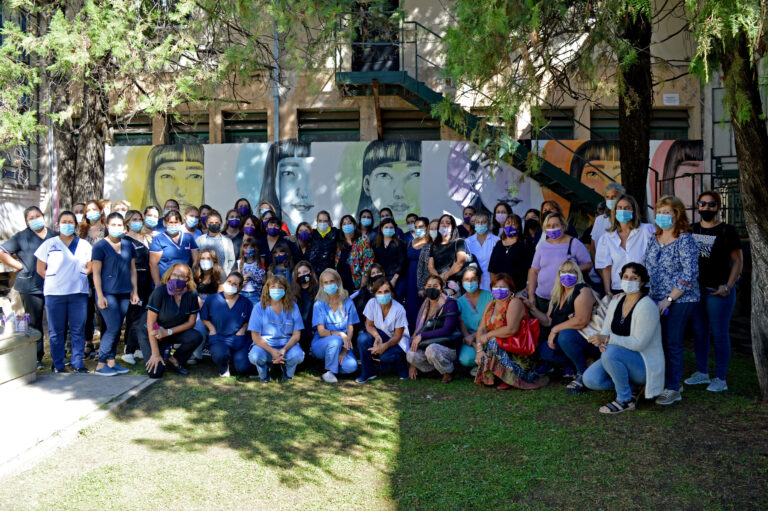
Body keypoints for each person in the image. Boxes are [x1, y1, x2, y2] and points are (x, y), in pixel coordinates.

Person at [583, 263, 665, 413]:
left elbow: (638, 344)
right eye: (626, 277)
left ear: (642, 282)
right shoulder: (616, 301)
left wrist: (607, 340)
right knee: (590, 379)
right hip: (618, 355)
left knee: (611, 351)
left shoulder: (647, 306)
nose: (629, 281)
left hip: (644, 364)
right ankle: (634, 388)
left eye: (634, 278)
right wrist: (602, 342)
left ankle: (625, 399)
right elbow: (606, 330)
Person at [685, 191, 743, 392]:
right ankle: (702, 373)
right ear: (698, 206)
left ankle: (720, 377)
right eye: (703, 204)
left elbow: (738, 262)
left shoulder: (728, 231)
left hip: (718, 292)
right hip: (696, 291)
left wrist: (728, 286)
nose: (707, 208)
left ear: (718, 207)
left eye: (711, 205)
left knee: (719, 334)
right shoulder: (691, 230)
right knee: (699, 332)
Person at [644, 195, 699, 405]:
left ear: (677, 214)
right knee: (658, 341)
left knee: (672, 341)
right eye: (660, 212)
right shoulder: (653, 238)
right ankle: (667, 381)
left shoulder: (685, 240)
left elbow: (690, 273)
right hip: (655, 297)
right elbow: (646, 265)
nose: (663, 216)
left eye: (667, 212)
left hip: (680, 299)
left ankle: (674, 388)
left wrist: (669, 298)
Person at [34, 211, 93, 373]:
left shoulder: (84, 244)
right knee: (56, 331)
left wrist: (80, 276)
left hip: (78, 293)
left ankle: (78, 363)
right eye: (64, 221)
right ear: (58, 225)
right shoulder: (49, 244)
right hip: (54, 294)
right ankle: (58, 364)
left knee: (77, 330)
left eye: (70, 221)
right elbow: (40, 268)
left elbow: (90, 266)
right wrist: (55, 279)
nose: (67, 224)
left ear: (75, 224)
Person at [526, 260, 596, 391]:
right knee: (544, 350)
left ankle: (583, 373)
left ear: (578, 274)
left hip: (584, 339)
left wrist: (555, 330)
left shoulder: (583, 290)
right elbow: (548, 321)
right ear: (558, 275)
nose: (567, 275)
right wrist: (532, 308)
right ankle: (570, 363)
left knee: (565, 335)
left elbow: (582, 320)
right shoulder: (557, 295)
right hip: (563, 341)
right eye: (563, 272)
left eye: (571, 272)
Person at [0, 206, 56, 369]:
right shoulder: (22, 237)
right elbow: (2, 252)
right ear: (27, 221)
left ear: (43, 217)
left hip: (54, 285)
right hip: (30, 286)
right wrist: (18, 265)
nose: (35, 219)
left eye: (38, 216)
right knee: (34, 322)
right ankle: (37, 357)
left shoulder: (54, 236)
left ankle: (57, 357)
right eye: (31, 218)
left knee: (56, 322)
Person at [474, 273, 548, 389]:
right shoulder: (491, 305)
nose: (499, 290)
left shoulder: (514, 302)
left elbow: (511, 330)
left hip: (518, 351)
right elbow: (481, 328)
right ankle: (498, 376)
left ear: (511, 290)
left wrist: (489, 335)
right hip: (502, 349)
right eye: (496, 287)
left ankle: (511, 377)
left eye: (503, 287)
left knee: (492, 341)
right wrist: (479, 349)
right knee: (489, 344)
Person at [91, 213, 139, 376]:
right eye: (114, 225)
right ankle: (100, 364)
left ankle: (111, 362)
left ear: (124, 227)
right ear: (107, 225)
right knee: (111, 328)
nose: (117, 228)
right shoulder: (99, 247)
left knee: (117, 328)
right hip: (107, 294)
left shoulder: (128, 245)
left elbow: (133, 270)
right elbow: (96, 273)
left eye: (120, 225)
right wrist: (100, 295)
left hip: (124, 293)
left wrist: (135, 291)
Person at [138, 262, 203, 378]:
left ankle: (174, 360)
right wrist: (155, 354)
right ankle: (160, 355)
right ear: (169, 276)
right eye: (174, 275)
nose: (177, 278)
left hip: (171, 331)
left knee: (196, 336)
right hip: (152, 332)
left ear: (188, 279)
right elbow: (150, 324)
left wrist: (168, 332)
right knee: (155, 373)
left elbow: (191, 322)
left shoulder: (192, 294)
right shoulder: (160, 292)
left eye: (182, 276)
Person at [527, 212, 592, 314]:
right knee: (543, 327)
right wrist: (531, 295)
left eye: (555, 225)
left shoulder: (574, 243)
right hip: (542, 297)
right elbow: (534, 271)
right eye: (549, 226)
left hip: (565, 298)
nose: (552, 228)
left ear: (563, 226)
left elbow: (588, 264)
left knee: (560, 327)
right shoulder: (543, 245)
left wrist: (571, 270)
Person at [247, 274, 305, 382]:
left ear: (286, 290)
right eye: (273, 286)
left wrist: (284, 349)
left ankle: (287, 374)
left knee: (298, 355)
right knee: (255, 356)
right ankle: (264, 375)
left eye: (280, 287)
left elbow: (296, 335)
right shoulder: (259, 307)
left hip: (287, 346)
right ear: (267, 289)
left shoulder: (293, 306)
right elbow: (255, 336)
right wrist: (272, 351)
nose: (276, 290)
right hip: (265, 346)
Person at [595, 194, 655, 296]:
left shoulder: (647, 230)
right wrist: (608, 291)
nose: (623, 211)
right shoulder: (606, 238)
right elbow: (606, 267)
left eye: (627, 208)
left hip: (644, 288)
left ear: (634, 211)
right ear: (615, 211)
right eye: (620, 207)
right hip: (619, 289)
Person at [406, 275, 460, 383]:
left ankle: (447, 371)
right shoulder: (425, 305)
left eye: (435, 286)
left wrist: (421, 336)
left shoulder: (450, 303)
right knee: (411, 355)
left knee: (432, 349)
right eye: (429, 286)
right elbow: (419, 328)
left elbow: (447, 330)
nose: (432, 289)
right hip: (427, 345)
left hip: (447, 346)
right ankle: (435, 369)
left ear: (441, 288)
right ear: (425, 288)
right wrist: (413, 364)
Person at [200, 271, 254, 377]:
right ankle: (224, 367)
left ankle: (235, 363)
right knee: (220, 355)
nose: (231, 285)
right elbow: (204, 317)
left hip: (238, 338)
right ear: (225, 282)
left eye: (235, 284)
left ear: (239, 288)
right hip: (218, 337)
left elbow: (249, 320)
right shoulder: (212, 299)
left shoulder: (246, 302)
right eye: (229, 281)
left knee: (243, 368)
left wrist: (242, 329)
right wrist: (212, 329)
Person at [356, 278, 410, 382]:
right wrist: (377, 337)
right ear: (375, 294)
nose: (383, 294)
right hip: (381, 335)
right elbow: (369, 325)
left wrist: (384, 346)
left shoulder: (399, 309)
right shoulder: (372, 303)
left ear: (392, 293)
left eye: (386, 291)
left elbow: (397, 336)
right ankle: (368, 372)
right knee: (362, 339)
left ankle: (401, 365)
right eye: (379, 292)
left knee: (386, 356)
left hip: (397, 342)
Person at [310, 269, 360, 382]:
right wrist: (341, 334)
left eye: (332, 281)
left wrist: (344, 352)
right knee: (336, 339)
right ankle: (329, 371)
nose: (329, 285)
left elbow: (350, 328)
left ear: (338, 282)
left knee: (352, 366)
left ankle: (327, 366)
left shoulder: (348, 302)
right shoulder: (319, 304)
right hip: (321, 343)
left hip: (343, 345)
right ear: (322, 285)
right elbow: (322, 332)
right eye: (325, 282)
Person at [121, 210, 152, 365]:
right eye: (134, 219)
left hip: (148, 280)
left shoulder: (147, 238)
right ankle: (128, 350)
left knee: (145, 315)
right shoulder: (125, 240)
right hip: (135, 281)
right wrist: (133, 289)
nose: (138, 222)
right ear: (127, 222)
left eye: (140, 219)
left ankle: (140, 346)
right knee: (134, 315)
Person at [80, 199, 107, 359]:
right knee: (86, 310)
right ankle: (88, 342)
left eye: (94, 209)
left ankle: (104, 344)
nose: (91, 212)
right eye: (88, 210)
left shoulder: (107, 230)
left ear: (101, 211)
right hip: (84, 275)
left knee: (102, 310)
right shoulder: (80, 231)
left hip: (103, 275)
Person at [149, 210, 199, 286]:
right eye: (171, 223)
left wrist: (191, 278)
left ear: (181, 223)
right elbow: (153, 264)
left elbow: (195, 259)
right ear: (165, 224)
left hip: (185, 281)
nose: (173, 225)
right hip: (165, 282)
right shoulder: (159, 239)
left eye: (176, 222)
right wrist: (157, 285)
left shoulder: (188, 238)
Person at [457, 267, 493, 369]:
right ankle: (480, 366)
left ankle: (484, 366)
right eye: (467, 280)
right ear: (462, 281)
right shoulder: (459, 302)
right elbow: (462, 323)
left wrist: (474, 336)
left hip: (489, 336)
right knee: (465, 359)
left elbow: (493, 322)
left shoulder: (490, 297)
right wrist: (471, 341)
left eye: (473, 279)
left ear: (479, 280)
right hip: (471, 340)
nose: (470, 282)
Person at [488, 213, 533, 293]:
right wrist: (494, 287)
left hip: (519, 290)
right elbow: (492, 269)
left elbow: (530, 269)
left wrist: (528, 287)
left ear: (519, 226)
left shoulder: (525, 244)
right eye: (508, 223)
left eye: (513, 224)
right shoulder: (498, 244)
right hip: (500, 291)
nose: (510, 226)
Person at [428, 214, 468, 296]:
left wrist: (447, 275)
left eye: (448, 222)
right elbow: (430, 266)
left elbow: (460, 262)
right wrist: (439, 277)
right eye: (442, 222)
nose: (444, 224)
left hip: (454, 286)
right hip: (438, 285)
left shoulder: (459, 242)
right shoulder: (434, 245)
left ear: (453, 227)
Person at [335, 214, 374, 293]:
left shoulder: (362, 242)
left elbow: (369, 261)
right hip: (341, 285)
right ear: (341, 228)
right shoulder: (339, 245)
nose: (347, 226)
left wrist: (364, 277)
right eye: (344, 224)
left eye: (349, 223)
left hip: (357, 285)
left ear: (355, 226)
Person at [405, 217, 431, 329]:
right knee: (410, 308)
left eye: (421, 227)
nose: (418, 229)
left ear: (427, 227)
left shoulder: (430, 243)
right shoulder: (410, 242)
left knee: (424, 308)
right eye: (416, 227)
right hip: (410, 280)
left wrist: (424, 285)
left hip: (424, 280)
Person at [373, 217, 408, 300]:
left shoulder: (400, 243)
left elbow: (402, 263)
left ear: (395, 229)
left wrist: (394, 280)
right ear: (381, 229)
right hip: (381, 279)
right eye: (386, 227)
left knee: (396, 302)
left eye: (391, 227)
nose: (389, 229)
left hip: (397, 279)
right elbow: (375, 262)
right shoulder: (376, 244)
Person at [464, 212, 499, 291]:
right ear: (474, 224)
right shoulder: (467, 242)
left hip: (492, 281)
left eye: (483, 222)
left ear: (489, 224)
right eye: (478, 222)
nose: (480, 224)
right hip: (473, 282)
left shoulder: (497, 240)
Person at [194, 210, 236, 276]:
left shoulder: (227, 241)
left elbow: (231, 260)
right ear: (207, 224)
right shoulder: (199, 240)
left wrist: (226, 274)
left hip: (222, 277)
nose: (214, 225)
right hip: (204, 277)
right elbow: (196, 260)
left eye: (216, 222)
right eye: (211, 223)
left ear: (221, 224)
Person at [291, 261, 319, 355]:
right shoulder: (292, 291)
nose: (302, 275)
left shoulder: (318, 290)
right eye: (299, 273)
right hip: (298, 329)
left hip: (314, 328)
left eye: (305, 272)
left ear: (310, 273)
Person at [590, 182, 626, 252]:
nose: (610, 200)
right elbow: (593, 247)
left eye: (614, 197)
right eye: (607, 197)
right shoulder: (599, 220)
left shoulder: (626, 220)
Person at [309, 210, 338, 276]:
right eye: (320, 221)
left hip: (330, 272)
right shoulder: (312, 233)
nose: (322, 223)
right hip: (315, 273)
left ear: (329, 222)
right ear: (317, 221)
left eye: (325, 221)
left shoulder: (336, 233)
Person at [238, 238, 266, 305]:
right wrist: (241, 281)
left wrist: (250, 275)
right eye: (246, 247)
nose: (248, 249)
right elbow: (236, 278)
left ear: (255, 249)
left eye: (251, 247)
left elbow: (263, 280)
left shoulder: (259, 263)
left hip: (255, 294)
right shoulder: (239, 263)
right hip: (242, 293)